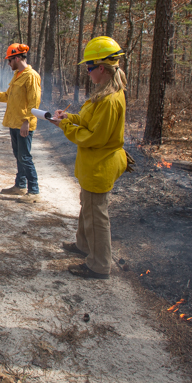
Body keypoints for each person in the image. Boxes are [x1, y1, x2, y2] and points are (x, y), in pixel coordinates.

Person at [50, 36, 128, 279]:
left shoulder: (110, 99)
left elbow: (93, 138)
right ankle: (84, 246)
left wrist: (65, 128)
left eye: (89, 67)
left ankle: (99, 265)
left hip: (100, 165)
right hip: (92, 165)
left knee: (96, 215)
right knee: (88, 207)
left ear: (101, 68)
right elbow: (86, 120)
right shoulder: (102, 94)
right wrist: (67, 118)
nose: (87, 71)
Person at [0, 43, 41, 198]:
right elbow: (7, 95)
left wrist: (27, 121)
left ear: (17, 58)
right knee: (19, 156)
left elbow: (34, 102)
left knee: (25, 157)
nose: (8, 63)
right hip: (14, 123)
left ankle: (34, 191)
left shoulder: (31, 76)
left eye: (10, 60)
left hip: (24, 124)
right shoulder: (18, 75)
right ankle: (20, 186)